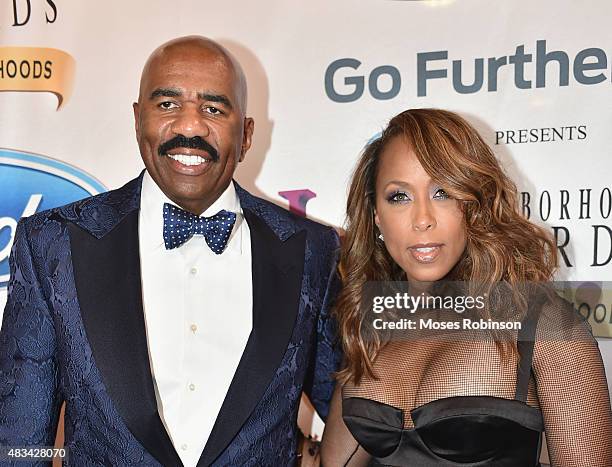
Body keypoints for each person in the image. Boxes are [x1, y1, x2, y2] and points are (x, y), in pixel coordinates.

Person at [0, 36, 341, 466]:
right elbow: (18, 442)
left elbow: (355, 412)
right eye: (167, 105)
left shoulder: (312, 251)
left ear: (247, 134)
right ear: (137, 119)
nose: (190, 127)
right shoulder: (53, 245)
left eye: (214, 109)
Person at [320, 109, 612, 466]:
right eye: (399, 196)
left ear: (477, 203)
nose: (423, 219)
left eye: (443, 192)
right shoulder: (373, 325)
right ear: (376, 214)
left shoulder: (545, 327)